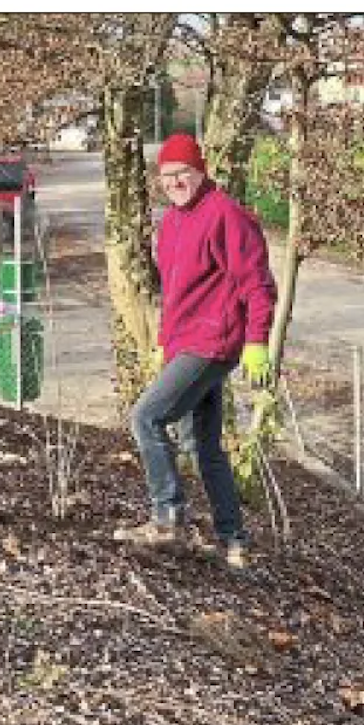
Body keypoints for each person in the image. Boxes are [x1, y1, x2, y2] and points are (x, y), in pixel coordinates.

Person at [113, 132, 278, 569]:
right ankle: (233, 540)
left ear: (201, 170)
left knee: (146, 416)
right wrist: (165, 343)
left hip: (213, 342)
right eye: (166, 176)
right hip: (186, 343)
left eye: (182, 173)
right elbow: (175, 292)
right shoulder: (171, 221)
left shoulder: (226, 216)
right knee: (202, 443)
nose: (174, 182)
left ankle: (167, 516)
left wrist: (257, 341)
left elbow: (257, 286)